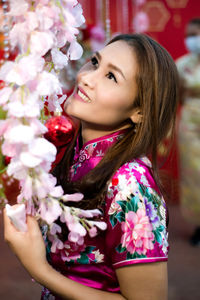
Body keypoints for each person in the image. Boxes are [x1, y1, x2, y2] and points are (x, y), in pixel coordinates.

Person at [4, 34, 178, 300]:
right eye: (95, 62)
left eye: (111, 77)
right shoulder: (74, 153)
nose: (86, 77)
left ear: (139, 111)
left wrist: (40, 270)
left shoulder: (130, 183)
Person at [176, 18, 200, 246]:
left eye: (196, 34)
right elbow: (178, 95)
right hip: (190, 125)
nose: (193, 39)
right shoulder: (182, 65)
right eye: (189, 35)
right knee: (194, 175)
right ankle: (198, 224)